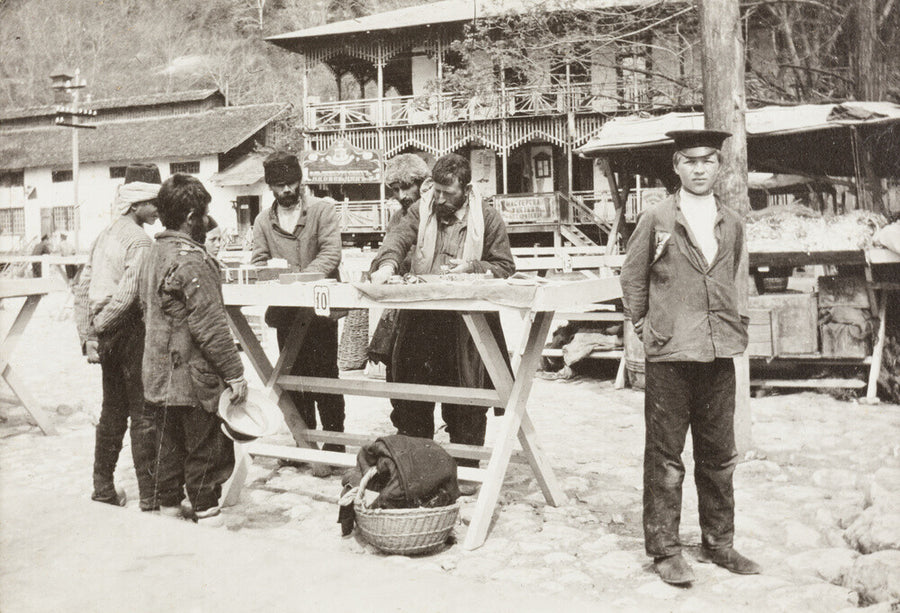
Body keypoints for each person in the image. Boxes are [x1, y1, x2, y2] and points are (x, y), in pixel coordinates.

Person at [619, 129, 761, 585]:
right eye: (690, 161)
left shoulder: (733, 221)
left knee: (719, 454)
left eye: (708, 161)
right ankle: (665, 550)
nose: (700, 169)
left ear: (719, 167)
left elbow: (735, 274)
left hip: (719, 351)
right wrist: (644, 326)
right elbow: (632, 276)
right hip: (670, 353)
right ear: (677, 166)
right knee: (665, 457)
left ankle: (719, 542)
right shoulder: (658, 218)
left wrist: (735, 323)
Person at [369, 153, 515, 465]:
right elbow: (397, 238)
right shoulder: (421, 211)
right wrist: (387, 265)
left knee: (466, 401)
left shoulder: (488, 218)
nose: (439, 198)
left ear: (466, 188)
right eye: (436, 190)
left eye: (447, 193)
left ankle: (466, 465)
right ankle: (418, 467)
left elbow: (505, 266)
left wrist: (473, 266)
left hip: (467, 327)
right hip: (420, 320)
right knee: (411, 397)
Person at [140, 173, 248, 525]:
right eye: (203, 215)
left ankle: (170, 517)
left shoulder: (153, 252)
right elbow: (211, 326)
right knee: (206, 457)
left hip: (158, 379)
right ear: (191, 217)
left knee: (168, 457)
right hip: (192, 382)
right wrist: (235, 374)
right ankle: (208, 518)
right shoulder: (192, 260)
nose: (206, 222)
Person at [74, 163, 162, 509]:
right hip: (127, 330)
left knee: (112, 411)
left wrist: (89, 334)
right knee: (143, 414)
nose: (158, 209)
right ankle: (151, 497)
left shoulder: (104, 234)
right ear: (136, 203)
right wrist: (100, 327)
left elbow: (82, 288)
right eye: (153, 202)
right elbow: (127, 297)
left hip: (105, 333)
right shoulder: (140, 241)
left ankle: (103, 488)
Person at [251, 151, 345, 462]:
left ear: (300, 181)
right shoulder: (263, 221)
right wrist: (276, 278)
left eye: (291, 183)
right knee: (293, 378)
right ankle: (304, 445)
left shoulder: (323, 211)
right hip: (286, 314)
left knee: (326, 378)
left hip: (320, 311)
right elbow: (259, 261)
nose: (287, 190)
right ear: (270, 188)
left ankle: (334, 444)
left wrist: (300, 281)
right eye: (280, 186)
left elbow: (331, 253)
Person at [367, 153, 432, 365]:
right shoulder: (397, 218)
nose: (402, 195)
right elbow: (388, 250)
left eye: (407, 187)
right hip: (402, 306)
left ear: (422, 183)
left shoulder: (434, 212)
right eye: (396, 189)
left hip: (431, 300)